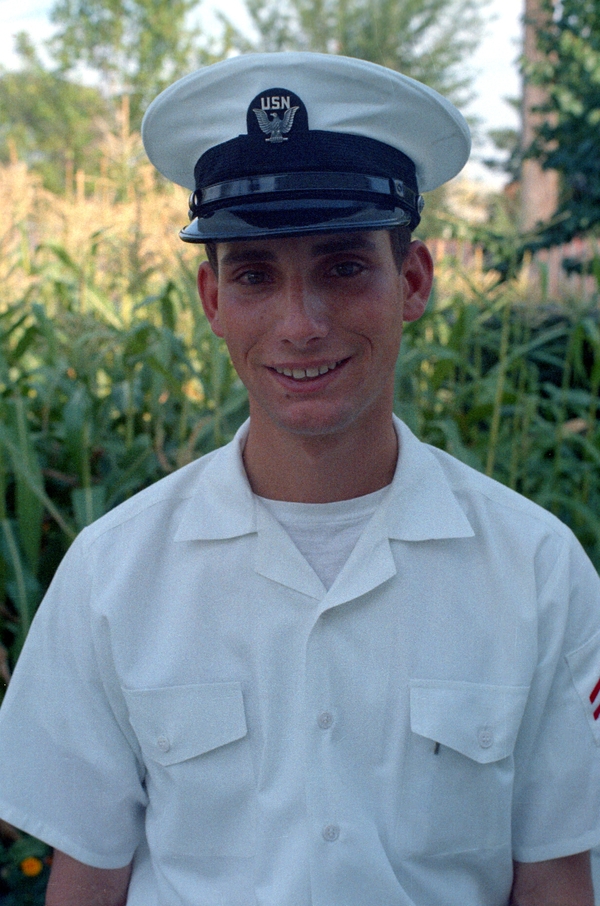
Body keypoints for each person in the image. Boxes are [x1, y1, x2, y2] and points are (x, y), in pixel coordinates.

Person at [0, 52, 599, 906]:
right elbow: (87, 879)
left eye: (344, 267)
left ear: (414, 282)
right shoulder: (112, 574)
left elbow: (554, 881)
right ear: (211, 300)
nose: (301, 323)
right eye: (254, 275)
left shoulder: (536, 571)